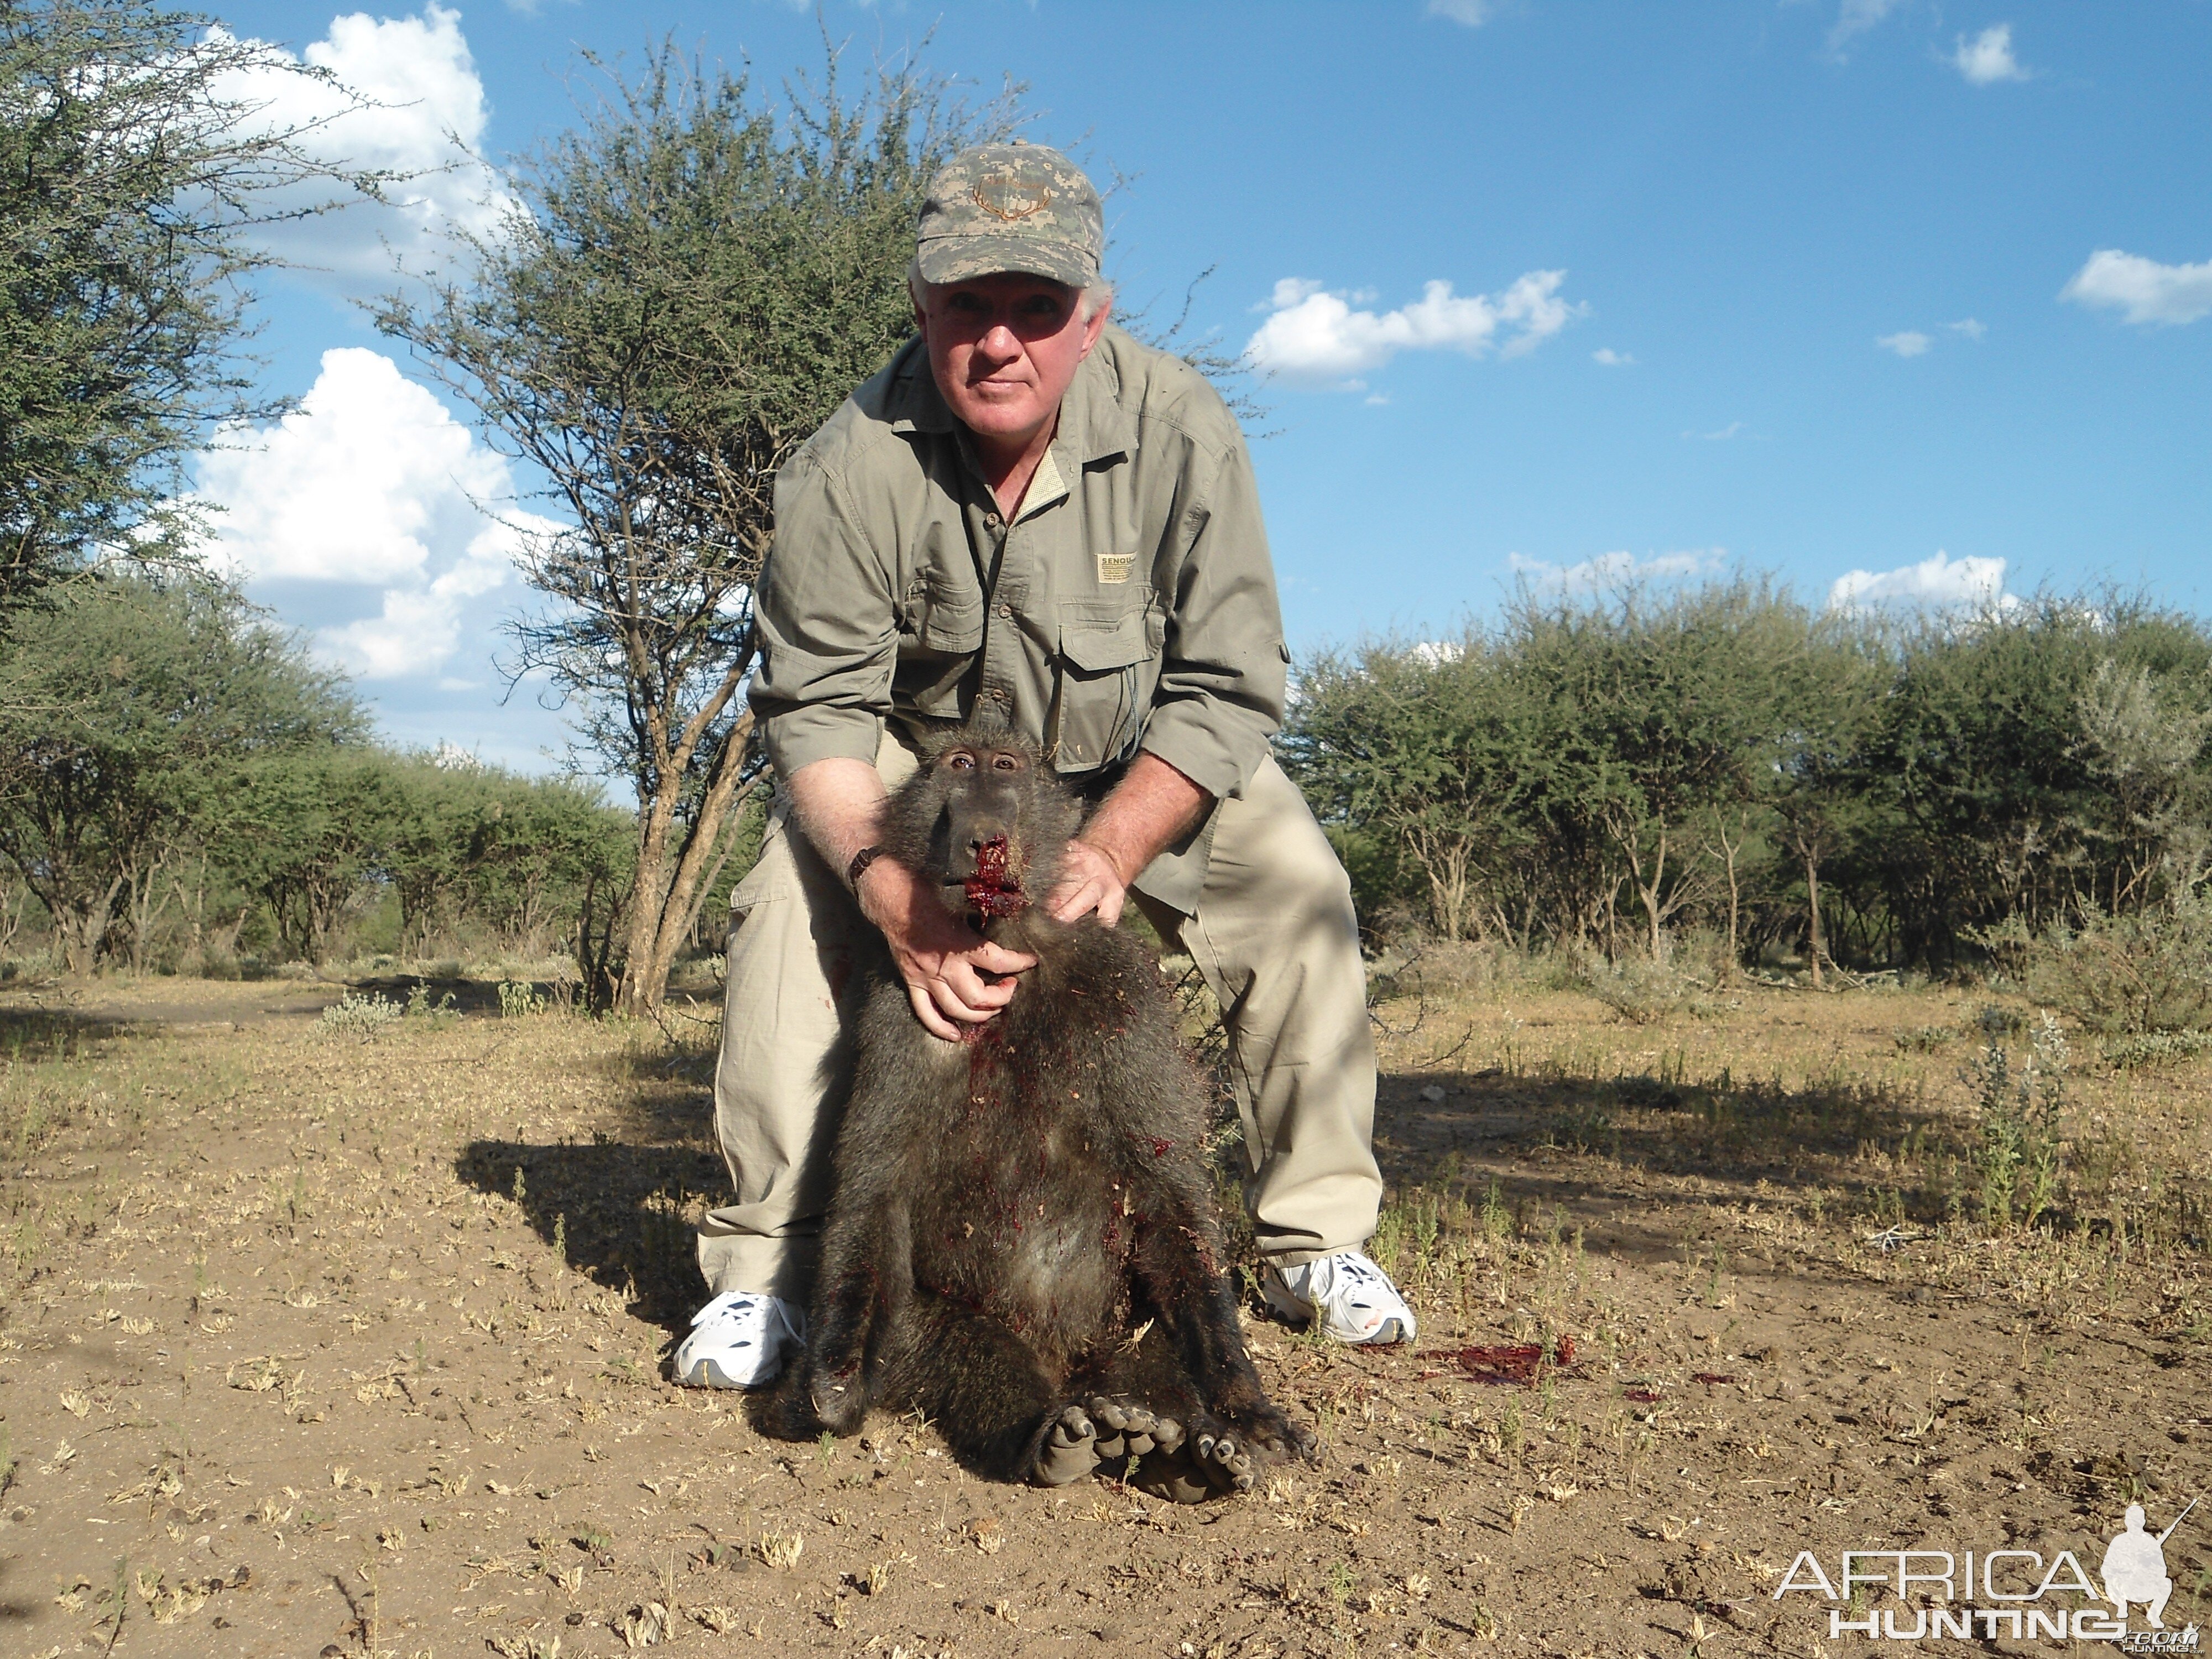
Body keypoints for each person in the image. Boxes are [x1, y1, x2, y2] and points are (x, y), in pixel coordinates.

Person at [675, 140, 1415, 1390]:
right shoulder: (845, 464)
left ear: (1093, 318)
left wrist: (1112, 847)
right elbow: (817, 712)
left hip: (1128, 769)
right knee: (780, 911)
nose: (1000, 341)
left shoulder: (1183, 426)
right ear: (920, 309)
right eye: (968, 305)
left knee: (1298, 882)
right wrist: (885, 886)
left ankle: (1312, 1238)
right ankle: (766, 1274)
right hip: (919, 784)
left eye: (1037, 307)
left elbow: (1230, 680)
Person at [2101, 1504, 2174, 1628]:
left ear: (2143, 1522)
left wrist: (2147, 1567)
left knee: (2166, 1583)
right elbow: (2106, 1569)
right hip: (2123, 1587)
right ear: (2126, 1522)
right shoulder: (2119, 1541)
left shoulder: (2150, 1542)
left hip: (2143, 1587)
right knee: (2111, 1582)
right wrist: (2124, 1569)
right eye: (2132, 1520)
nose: (2135, 1524)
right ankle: (2121, 1606)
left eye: (2138, 1520)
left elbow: (2162, 1570)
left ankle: (2154, 1615)